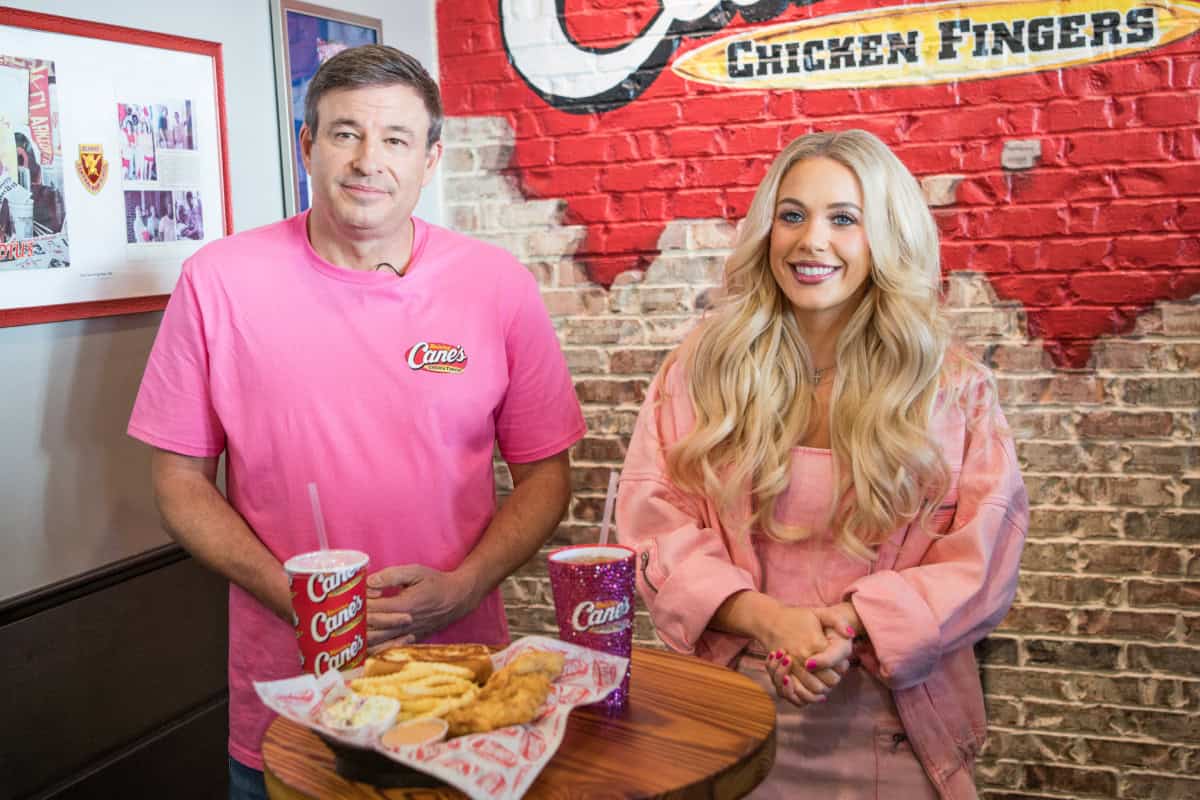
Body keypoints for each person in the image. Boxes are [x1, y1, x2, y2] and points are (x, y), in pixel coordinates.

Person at [127, 45, 584, 800]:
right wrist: (290, 595)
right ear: (307, 144)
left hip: (461, 695)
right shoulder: (219, 282)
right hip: (289, 693)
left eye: (396, 139)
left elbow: (546, 474)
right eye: (344, 133)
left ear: (431, 158)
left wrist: (466, 586)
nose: (368, 160)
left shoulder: (495, 285)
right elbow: (178, 483)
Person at [616, 130, 1027, 799]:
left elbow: (982, 562)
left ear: (885, 238)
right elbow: (652, 525)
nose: (812, 241)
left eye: (843, 219)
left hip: (895, 722)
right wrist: (769, 621)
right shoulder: (700, 370)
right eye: (792, 215)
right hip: (727, 713)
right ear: (767, 231)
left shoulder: (951, 388)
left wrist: (853, 625)